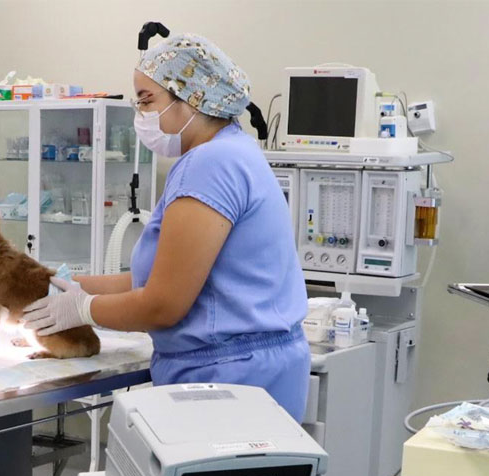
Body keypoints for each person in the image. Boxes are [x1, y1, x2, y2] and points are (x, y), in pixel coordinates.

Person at [23, 34, 310, 421]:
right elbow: (162, 277)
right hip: (249, 372)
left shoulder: (209, 165)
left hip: (227, 381)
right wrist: (66, 283)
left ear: (190, 96)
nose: (140, 114)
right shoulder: (234, 151)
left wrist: (84, 309)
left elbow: (163, 304)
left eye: (146, 101)